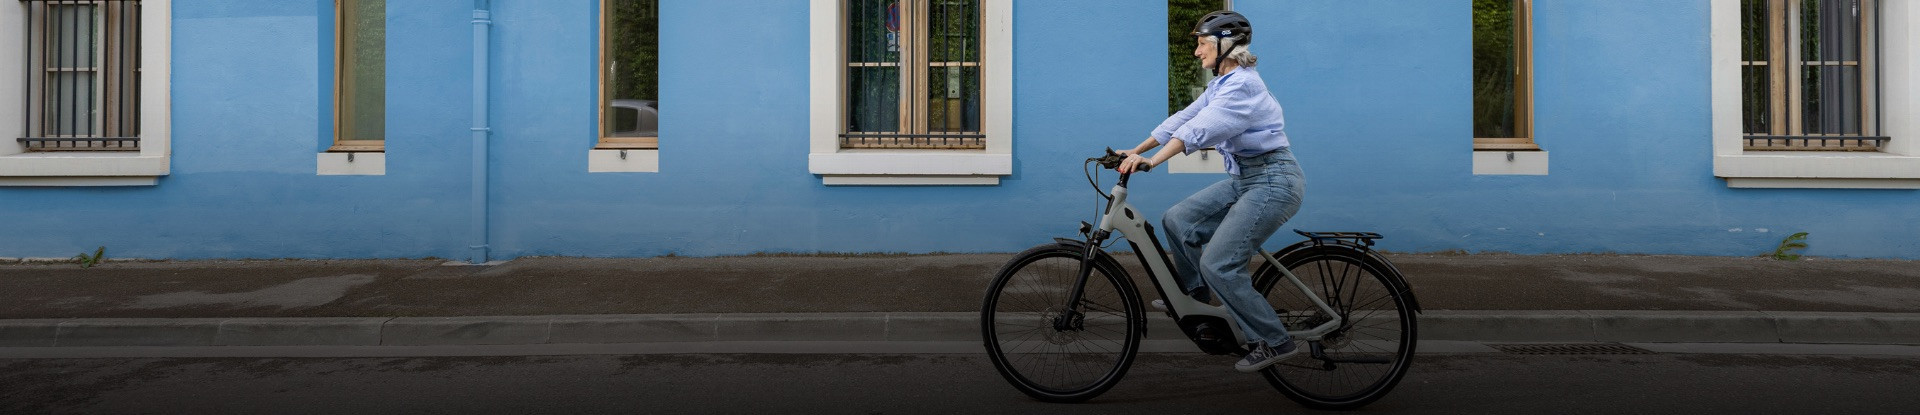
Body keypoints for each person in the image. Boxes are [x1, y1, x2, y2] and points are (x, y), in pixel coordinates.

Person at [1115, 10, 1304, 373]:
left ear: (1225, 46)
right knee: (1177, 220)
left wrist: (1152, 163)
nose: (1197, 52)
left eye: (1202, 44)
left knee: (1219, 264)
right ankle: (1194, 299)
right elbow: (1183, 119)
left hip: (1272, 181)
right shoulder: (1222, 84)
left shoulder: (1244, 86)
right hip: (1247, 179)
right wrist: (1136, 149)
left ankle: (1275, 340)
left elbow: (1200, 130)